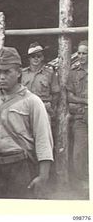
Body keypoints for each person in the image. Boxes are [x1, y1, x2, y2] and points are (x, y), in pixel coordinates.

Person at [0, 47, 54, 199]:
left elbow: (43, 140)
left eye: (7, 72)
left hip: (20, 166)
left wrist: (43, 175)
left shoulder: (32, 101)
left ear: (18, 72)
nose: (1, 77)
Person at [67, 40, 88, 199]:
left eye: (84, 53)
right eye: (79, 53)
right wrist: (86, 101)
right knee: (78, 154)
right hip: (81, 117)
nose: (81, 56)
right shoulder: (74, 72)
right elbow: (69, 96)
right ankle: (84, 184)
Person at [21, 42, 60, 122]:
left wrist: (51, 108)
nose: (36, 59)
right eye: (33, 56)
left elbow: (56, 93)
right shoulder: (22, 73)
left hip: (43, 108)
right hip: (25, 109)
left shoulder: (49, 73)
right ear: (29, 58)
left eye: (39, 56)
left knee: (43, 133)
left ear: (42, 57)